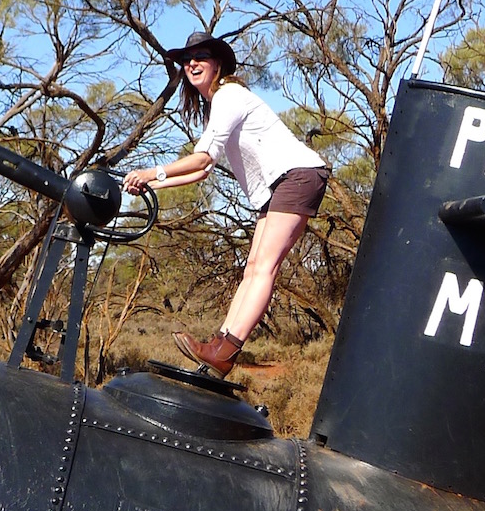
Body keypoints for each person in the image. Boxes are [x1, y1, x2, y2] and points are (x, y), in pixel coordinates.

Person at [123, 32, 330, 375]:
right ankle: (219, 346)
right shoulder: (217, 105)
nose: (192, 63)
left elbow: (201, 158)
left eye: (201, 56)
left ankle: (226, 350)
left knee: (264, 268)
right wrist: (155, 183)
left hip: (298, 175)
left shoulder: (230, 95)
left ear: (217, 64)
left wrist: (151, 172)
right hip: (278, 184)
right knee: (252, 268)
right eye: (187, 59)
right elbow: (202, 171)